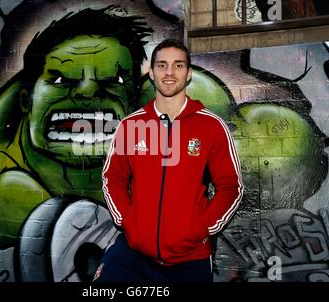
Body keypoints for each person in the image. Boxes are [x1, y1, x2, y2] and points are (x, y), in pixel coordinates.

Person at [0, 6, 152, 247]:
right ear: (25, 101)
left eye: (115, 80)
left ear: (135, 100)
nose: (88, 91)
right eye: (60, 79)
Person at [97, 39, 244, 282]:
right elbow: (113, 178)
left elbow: (230, 187)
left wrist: (203, 228)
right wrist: (127, 221)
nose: (169, 72)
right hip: (133, 254)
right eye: (162, 65)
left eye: (178, 65)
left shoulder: (211, 127)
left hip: (190, 257)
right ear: (152, 73)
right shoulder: (131, 126)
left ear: (188, 74)